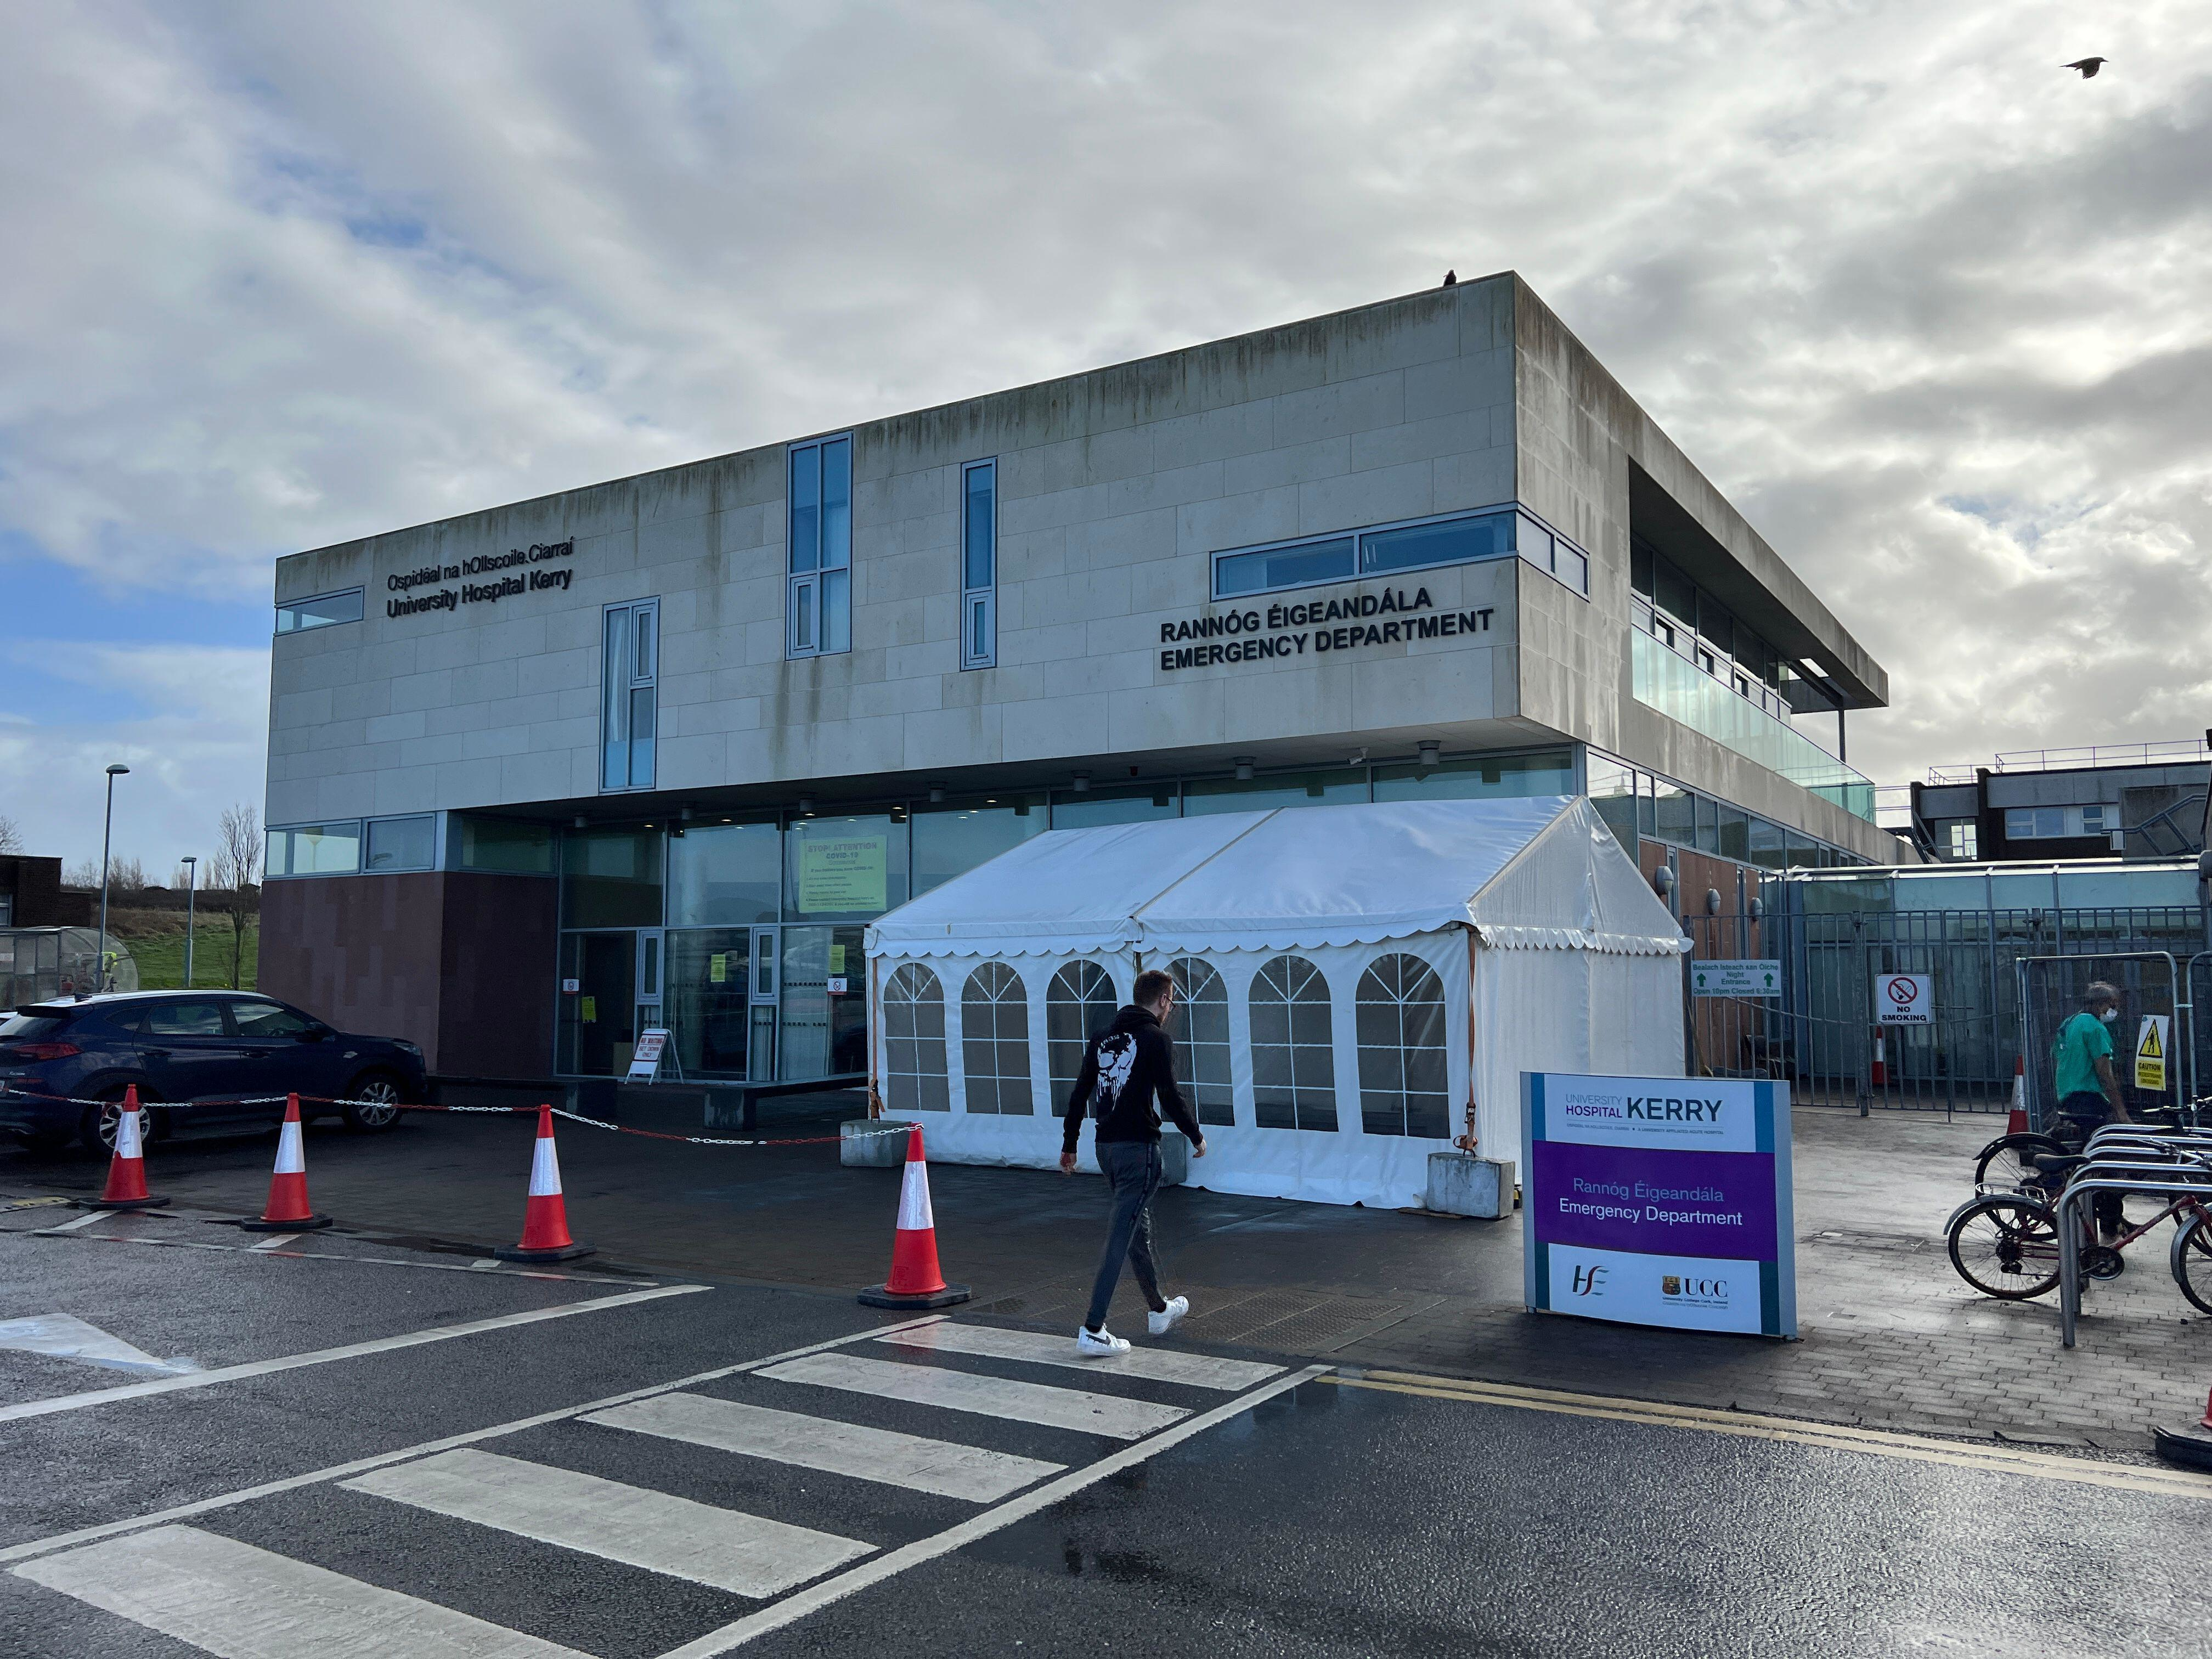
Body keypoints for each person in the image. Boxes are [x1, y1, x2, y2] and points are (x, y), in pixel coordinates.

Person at [1059, 968, 1207, 1355]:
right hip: (1139, 1150)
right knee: (1120, 1236)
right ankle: (1093, 1329)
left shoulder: (1102, 1038)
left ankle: (1158, 1309)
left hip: (1106, 1148)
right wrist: (1196, 1135)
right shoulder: (1156, 1039)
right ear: (1162, 1000)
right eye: (1171, 1002)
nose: (1171, 1009)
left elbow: (1080, 1094)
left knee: (1135, 1229)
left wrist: (1070, 1143)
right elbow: (1171, 1097)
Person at [2051, 980, 2133, 1239]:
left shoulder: (2070, 1022)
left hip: (2069, 1096)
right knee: (2110, 1162)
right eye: (2113, 1005)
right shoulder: (2095, 1028)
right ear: (2099, 1004)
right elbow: (2104, 1073)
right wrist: (2121, 1111)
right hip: (2089, 1099)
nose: (2115, 1010)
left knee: (2095, 1160)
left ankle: (2111, 1215)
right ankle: (2109, 1219)